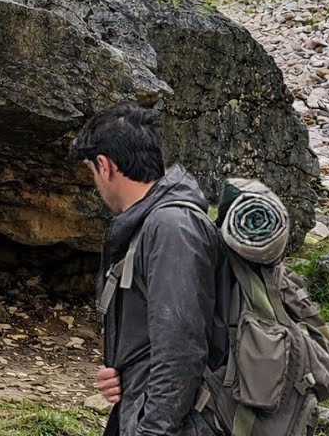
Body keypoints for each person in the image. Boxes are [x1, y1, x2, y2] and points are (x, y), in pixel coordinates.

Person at [71, 103, 226, 436]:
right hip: (147, 413)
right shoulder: (153, 224)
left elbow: (180, 350)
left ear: (105, 165)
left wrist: (153, 431)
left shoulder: (171, 228)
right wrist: (125, 372)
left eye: (92, 173)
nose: (96, 184)